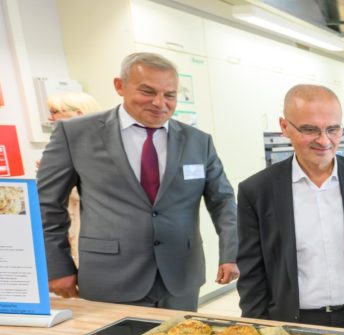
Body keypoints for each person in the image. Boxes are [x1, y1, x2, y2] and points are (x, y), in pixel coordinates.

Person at [37, 52, 239, 312]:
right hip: (110, 278)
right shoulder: (75, 134)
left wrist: (231, 254)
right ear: (119, 86)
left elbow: (222, 201)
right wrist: (57, 265)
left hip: (180, 276)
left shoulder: (198, 141)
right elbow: (46, 205)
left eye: (170, 95)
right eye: (147, 92)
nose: (160, 103)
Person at [237, 84, 344, 332]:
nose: (324, 140)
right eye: (309, 129)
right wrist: (258, 325)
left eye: (332, 129)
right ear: (284, 127)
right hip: (293, 322)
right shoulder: (257, 190)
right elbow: (252, 270)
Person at [40, 91, 103, 266]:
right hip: (73, 228)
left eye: (55, 111)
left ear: (79, 113)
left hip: (95, 233)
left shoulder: (102, 147)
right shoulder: (63, 144)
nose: (50, 117)